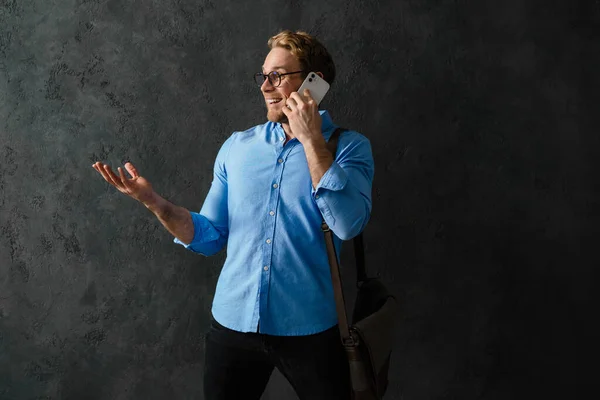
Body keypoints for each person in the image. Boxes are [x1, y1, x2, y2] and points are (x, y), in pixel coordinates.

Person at [92, 30, 374, 400]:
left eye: (278, 75)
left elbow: (348, 224)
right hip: (233, 325)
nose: (265, 86)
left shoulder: (351, 148)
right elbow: (210, 237)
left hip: (311, 329)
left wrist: (311, 141)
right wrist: (155, 204)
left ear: (313, 84)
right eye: (263, 75)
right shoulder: (237, 147)